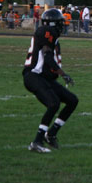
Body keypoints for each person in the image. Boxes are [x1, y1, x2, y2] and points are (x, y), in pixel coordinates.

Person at [23, 9, 78, 153]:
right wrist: (63, 74)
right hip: (34, 76)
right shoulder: (47, 31)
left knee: (72, 100)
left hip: (44, 77)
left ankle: (51, 134)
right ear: (53, 23)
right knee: (53, 104)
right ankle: (37, 142)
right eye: (60, 22)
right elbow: (47, 56)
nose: (62, 25)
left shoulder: (50, 34)